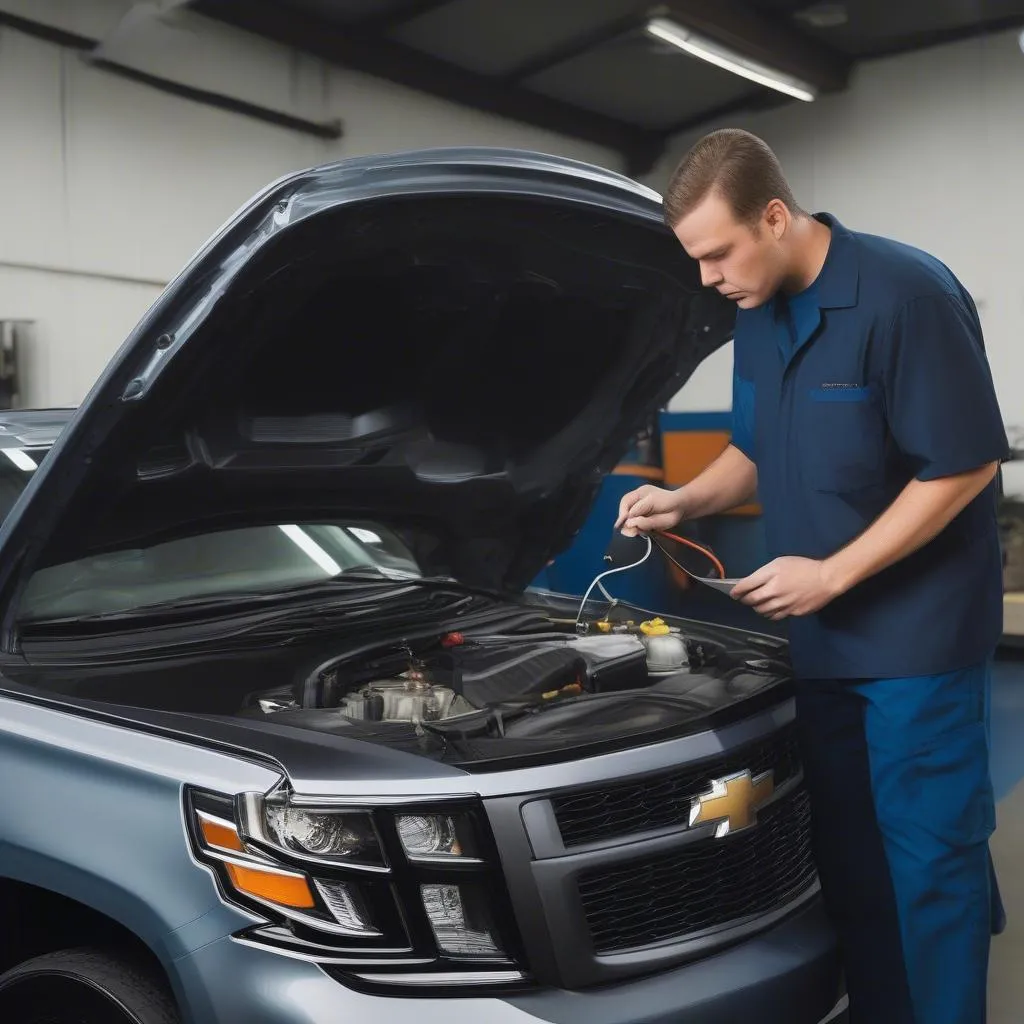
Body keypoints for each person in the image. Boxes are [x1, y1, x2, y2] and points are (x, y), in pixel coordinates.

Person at [615, 128, 1008, 1024]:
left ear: (777, 215)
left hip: (919, 642)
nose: (709, 278)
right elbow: (753, 447)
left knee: (931, 860)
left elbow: (964, 465)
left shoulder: (906, 294)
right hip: (821, 642)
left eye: (718, 253)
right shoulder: (759, 310)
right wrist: (681, 499)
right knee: (852, 857)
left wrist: (833, 574)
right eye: (698, 261)